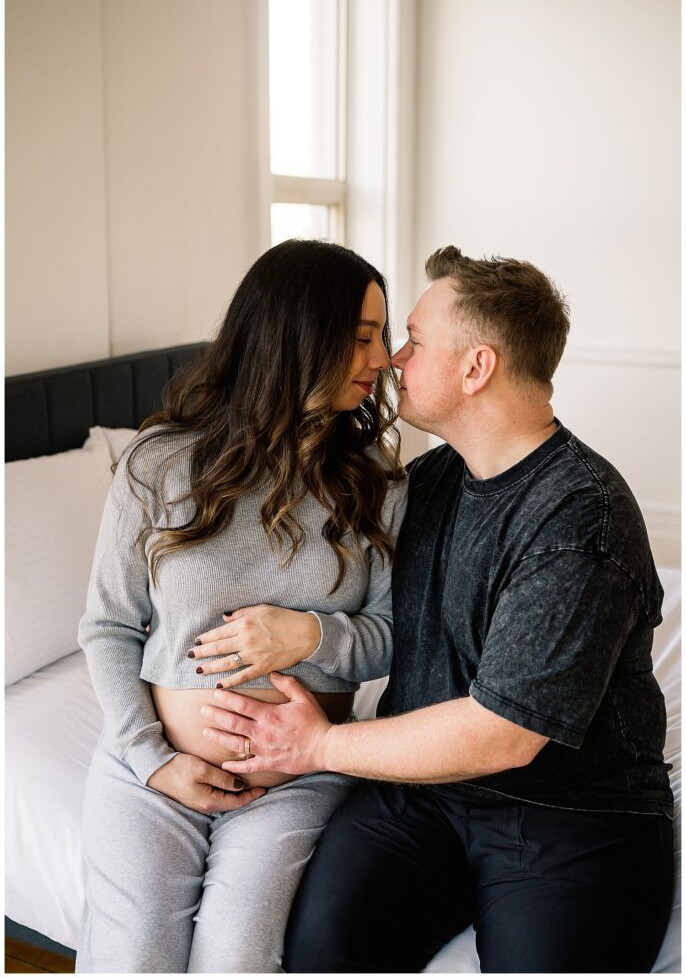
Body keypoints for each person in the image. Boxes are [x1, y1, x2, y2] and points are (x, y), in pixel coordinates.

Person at [205, 246, 674, 974]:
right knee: (318, 955)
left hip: (568, 816)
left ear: (476, 367)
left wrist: (319, 746)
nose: (392, 358)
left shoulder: (582, 517)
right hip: (418, 800)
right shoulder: (428, 483)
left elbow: (505, 735)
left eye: (414, 340)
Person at [76, 239, 408, 973]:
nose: (383, 359)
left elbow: (391, 638)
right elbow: (106, 627)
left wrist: (308, 635)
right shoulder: (158, 463)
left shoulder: (377, 480)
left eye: (381, 337)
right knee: (135, 958)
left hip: (296, 783)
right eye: (362, 338)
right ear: (297, 336)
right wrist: (150, 759)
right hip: (151, 773)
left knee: (238, 957)